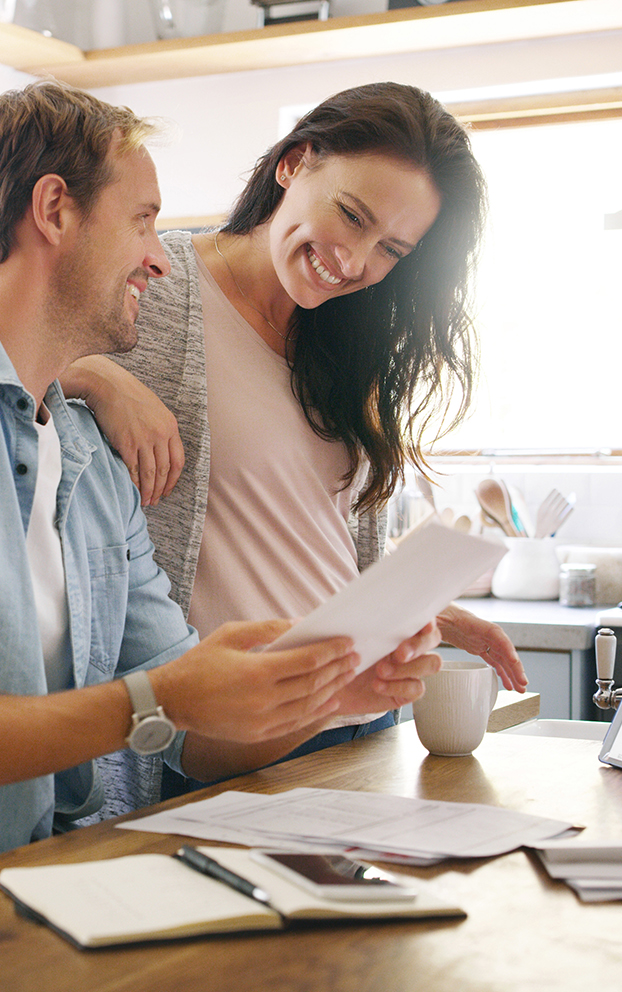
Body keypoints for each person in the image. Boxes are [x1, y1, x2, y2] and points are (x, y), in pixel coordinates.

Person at [0, 80, 442, 931]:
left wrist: (327, 688)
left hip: (43, 910)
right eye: (144, 220)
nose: (159, 256)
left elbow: (192, 732)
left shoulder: (88, 460)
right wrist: (160, 698)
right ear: (54, 212)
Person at [61, 82, 528, 799]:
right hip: (222, 739)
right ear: (294, 163)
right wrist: (96, 377)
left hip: (359, 718)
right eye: (351, 215)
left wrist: (412, 608)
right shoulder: (157, 283)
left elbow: (303, 542)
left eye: (392, 249)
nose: (355, 261)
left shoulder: (351, 345)